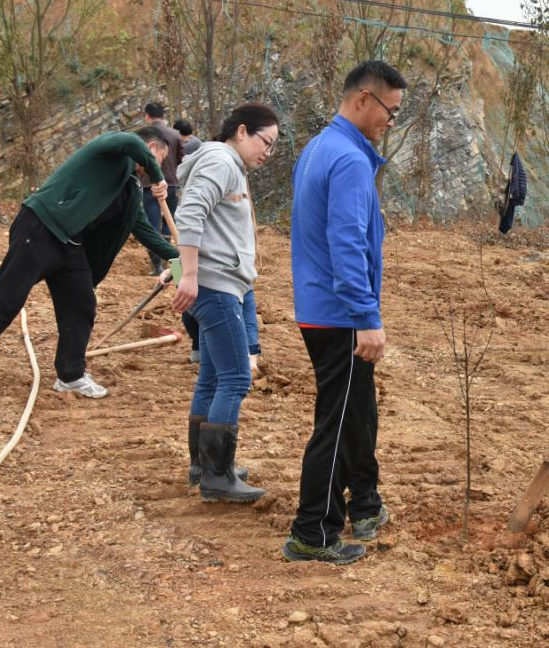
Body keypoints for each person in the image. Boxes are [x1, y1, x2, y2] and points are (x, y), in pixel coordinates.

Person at [282, 60, 406, 565]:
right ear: (362, 100)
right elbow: (347, 242)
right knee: (336, 422)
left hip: (321, 306)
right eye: (389, 111)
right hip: (339, 313)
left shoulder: (318, 148)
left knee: (358, 413)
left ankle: (366, 505)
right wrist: (365, 316)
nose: (390, 122)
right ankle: (313, 532)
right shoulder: (351, 161)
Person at [0, 128, 179, 400]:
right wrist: (158, 177)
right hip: (41, 226)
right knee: (8, 297)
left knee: (81, 305)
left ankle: (70, 375)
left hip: (71, 244)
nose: (159, 167)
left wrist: (179, 257)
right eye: (159, 158)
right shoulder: (110, 149)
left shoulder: (131, 186)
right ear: (150, 145)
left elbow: (141, 226)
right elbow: (130, 141)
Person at [168, 102, 278, 503]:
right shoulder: (222, 160)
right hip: (215, 286)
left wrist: (184, 269)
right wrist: (191, 275)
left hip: (214, 282)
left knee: (212, 377)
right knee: (235, 377)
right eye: (266, 141)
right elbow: (192, 213)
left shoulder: (228, 165)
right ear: (243, 131)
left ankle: (204, 466)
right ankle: (218, 476)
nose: (268, 151)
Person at [141, 102, 184, 275]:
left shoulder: (144, 136)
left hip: (149, 185)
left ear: (147, 116)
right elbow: (182, 160)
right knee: (169, 225)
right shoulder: (175, 134)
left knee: (152, 227)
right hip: (172, 184)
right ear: (163, 116)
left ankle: (157, 267)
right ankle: (172, 267)